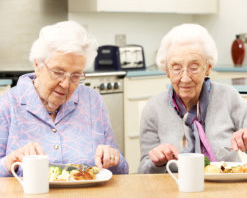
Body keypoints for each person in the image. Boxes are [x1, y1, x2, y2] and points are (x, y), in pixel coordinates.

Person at [0, 21, 128, 176]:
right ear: (37, 65)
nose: (66, 84)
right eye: (58, 72)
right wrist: (9, 162)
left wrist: (114, 158)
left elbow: (121, 170)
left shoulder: (92, 101)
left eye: (76, 76)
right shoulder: (7, 104)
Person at [138, 24, 247, 174]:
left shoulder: (229, 97)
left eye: (194, 67)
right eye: (176, 68)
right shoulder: (153, 109)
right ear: (167, 71)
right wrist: (156, 163)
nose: (185, 78)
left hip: (226, 188)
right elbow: (143, 172)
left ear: (207, 68)